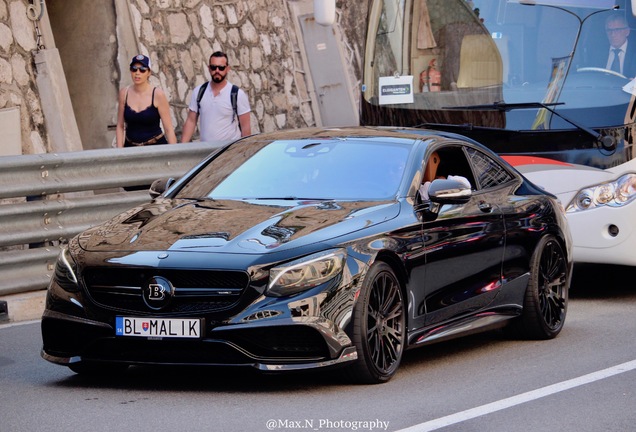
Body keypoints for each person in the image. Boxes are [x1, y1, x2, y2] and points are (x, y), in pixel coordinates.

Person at [181, 51, 251, 145]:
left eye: (221, 68)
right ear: (209, 69)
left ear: (227, 69)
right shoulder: (199, 92)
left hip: (229, 152)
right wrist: (182, 148)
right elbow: (191, 121)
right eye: (214, 67)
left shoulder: (237, 94)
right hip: (206, 152)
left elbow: (245, 128)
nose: (217, 71)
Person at [116, 55, 177, 148]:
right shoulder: (124, 94)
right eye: (134, 69)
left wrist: (175, 154)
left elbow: (168, 128)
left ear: (149, 73)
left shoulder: (158, 94)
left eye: (142, 69)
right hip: (131, 148)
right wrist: (119, 152)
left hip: (156, 147)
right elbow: (120, 126)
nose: (137, 73)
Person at [595, 13, 636, 78]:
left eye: (617, 30)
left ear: (627, 32)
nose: (613, 34)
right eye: (609, 30)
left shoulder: (634, 52)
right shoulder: (598, 52)